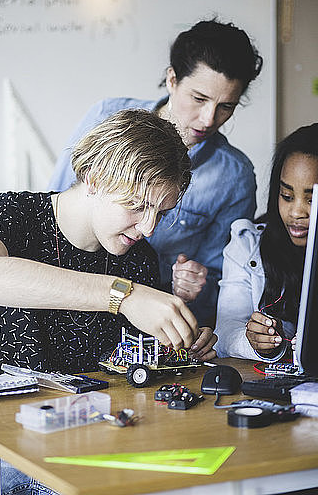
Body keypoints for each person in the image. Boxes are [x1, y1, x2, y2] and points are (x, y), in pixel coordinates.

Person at [0, 109, 217, 495]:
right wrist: (122, 295)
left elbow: (126, 370)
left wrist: (177, 345)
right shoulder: (14, 215)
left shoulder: (138, 258)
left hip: (80, 440)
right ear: (93, 180)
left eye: (161, 212)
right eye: (136, 205)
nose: (148, 228)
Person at [49, 18, 263, 326]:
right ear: (172, 79)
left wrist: (192, 286)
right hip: (67, 301)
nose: (208, 119)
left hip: (147, 325)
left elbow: (223, 283)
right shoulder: (108, 116)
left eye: (226, 107)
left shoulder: (235, 177)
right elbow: (56, 205)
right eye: (199, 99)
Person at [215, 123, 318, 361]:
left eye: (311, 200)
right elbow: (226, 331)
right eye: (287, 196)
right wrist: (257, 342)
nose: (296, 212)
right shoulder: (247, 244)